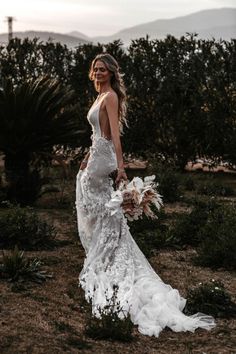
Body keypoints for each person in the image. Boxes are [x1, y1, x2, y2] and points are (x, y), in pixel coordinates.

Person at [75, 53, 216, 337]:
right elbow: (97, 135)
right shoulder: (100, 95)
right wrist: (87, 157)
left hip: (104, 161)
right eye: (96, 69)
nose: (99, 73)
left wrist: (122, 168)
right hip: (96, 157)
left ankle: (105, 261)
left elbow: (114, 135)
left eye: (104, 69)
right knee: (103, 214)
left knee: (105, 213)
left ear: (112, 73)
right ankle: (104, 258)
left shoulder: (111, 96)